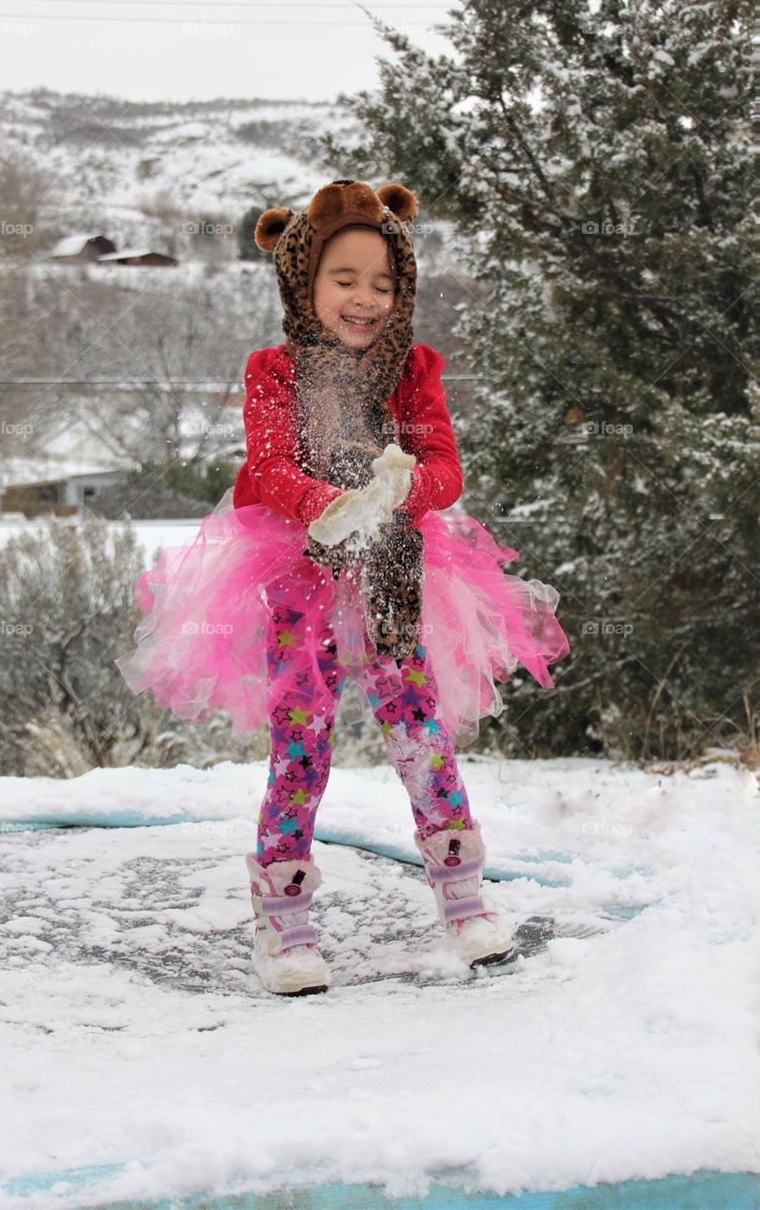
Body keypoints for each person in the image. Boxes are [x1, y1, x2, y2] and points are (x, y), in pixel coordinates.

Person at [115, 179, 569, 998]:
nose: (365, 298)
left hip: (395, 567)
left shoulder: (414, 369)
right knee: (302, 741)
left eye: (383, 283)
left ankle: (463, 900)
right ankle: (284, 919)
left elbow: (444, 466)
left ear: (403, 290)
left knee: (419, 728)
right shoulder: (274, 370)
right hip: (299, 573)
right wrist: (329, 504)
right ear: (303, 283)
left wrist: (401, 491)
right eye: (344, 279)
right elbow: (270, 465)